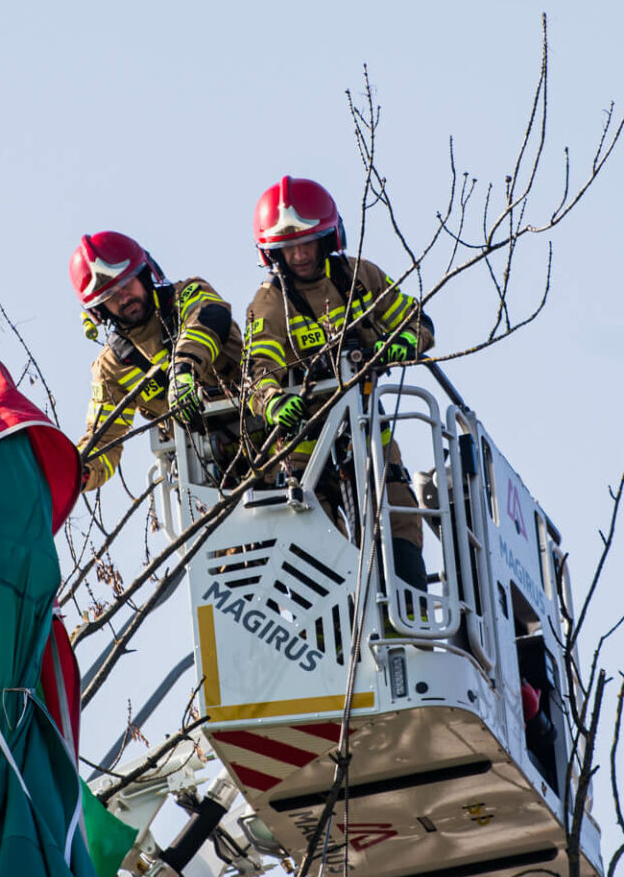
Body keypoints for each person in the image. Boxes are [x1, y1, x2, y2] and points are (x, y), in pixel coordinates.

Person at [242, 175, 434, 590]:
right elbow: (257, 371)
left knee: (399, 514)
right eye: (287, 248)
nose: (298, 255)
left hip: (369, 431)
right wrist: (273, 401)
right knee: (319, 541)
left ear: (328, 239)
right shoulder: (269, 304)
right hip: (304, 449)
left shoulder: (359, 276)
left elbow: (418, 321)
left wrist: (403, 341)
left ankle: (410, 603)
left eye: (306, 243)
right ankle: (343, 630)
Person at [70, 230, 243, 491]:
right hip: (205, 478)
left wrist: (183, 370)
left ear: (145, 274)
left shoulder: (189, 294)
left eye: (127, 285)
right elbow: (103, 439)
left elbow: (210, 319)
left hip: (267, 431)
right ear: (98, 310)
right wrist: (74, 473)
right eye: (111, 297)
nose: (124, 298)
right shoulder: (112, 366)